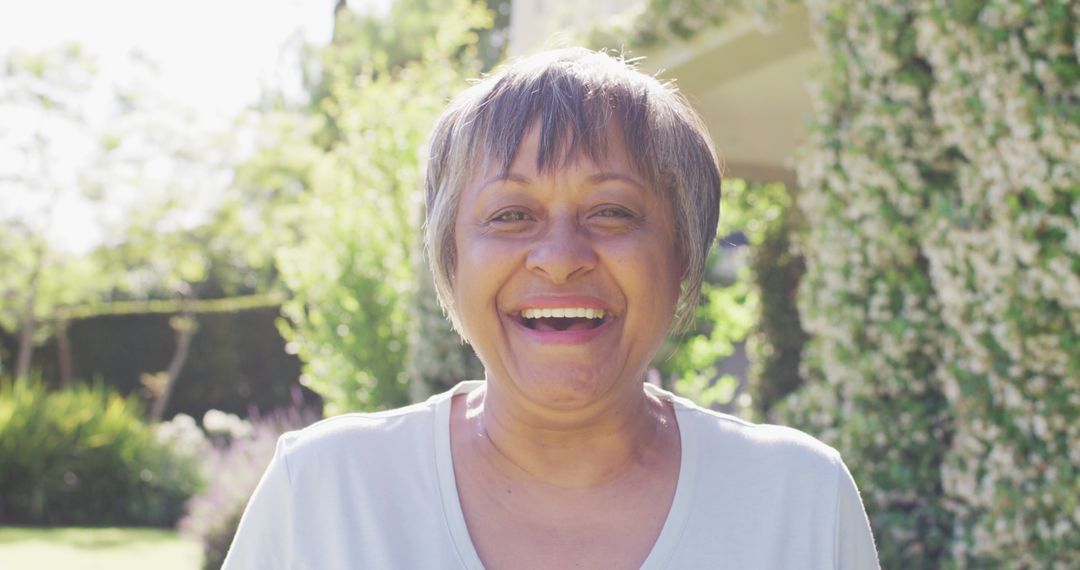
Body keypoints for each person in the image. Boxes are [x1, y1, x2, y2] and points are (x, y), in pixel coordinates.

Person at [223, 47, 879, 569]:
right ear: (449, 263)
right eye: (511, 214)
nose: (560, 256)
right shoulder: (323, 493)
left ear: (684, 261)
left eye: (612, 212)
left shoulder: (800, 499)